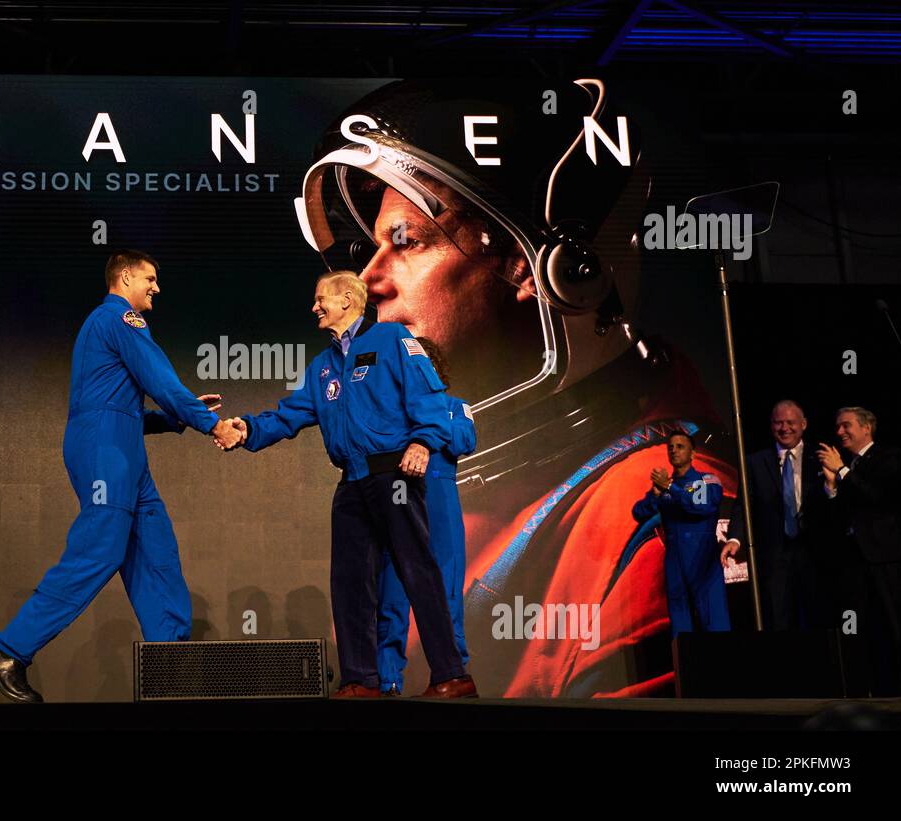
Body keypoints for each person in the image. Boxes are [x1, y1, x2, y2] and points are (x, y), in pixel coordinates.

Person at [292, 78, 739, 696]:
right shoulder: (459, 485)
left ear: (537, 268)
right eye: (371, 249)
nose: (368, 281)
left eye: (406, 242)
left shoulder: (639, 534)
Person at [0, 250, 242, 703]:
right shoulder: (120, 319)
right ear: (124, 277)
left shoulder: (107, 327)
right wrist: (208, 423)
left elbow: (126, 407)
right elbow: (158, 380)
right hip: (105, 449)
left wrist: (179, 417)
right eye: (150, 278)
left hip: (122, 446)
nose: (157, 287)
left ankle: (169, 667)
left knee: (155, 550)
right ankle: (8, 651)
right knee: (101, 548)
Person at [223, 271, 476, 698]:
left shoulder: (393, 340)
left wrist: (422, 441)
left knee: (418, 571)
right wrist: (246, 430)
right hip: (352, 483)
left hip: (393, 475)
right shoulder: (322, 368)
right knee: (350, 581)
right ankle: (361, 679)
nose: (314, 307)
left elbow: (428, 396)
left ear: (347, 300)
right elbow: (288, 416)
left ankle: (452, 674)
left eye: (321, 299)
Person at [375, 337, 476, 695]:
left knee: (447, 598)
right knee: (392, 598)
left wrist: (427, 423)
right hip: (400, 506)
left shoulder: (455, 406)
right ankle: (386, 682)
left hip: (440, 510)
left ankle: (452, 676)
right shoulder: (390, 411)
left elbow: (466, 441)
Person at [719, 400, 830, 629]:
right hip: (774, 555)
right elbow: (743, 504)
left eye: (790, 422)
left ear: (804, 424)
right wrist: (734, 538)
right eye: (778, 423)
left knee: (817, 617)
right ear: (771, 426)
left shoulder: (820, 457)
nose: (784, 428)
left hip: (815, 552)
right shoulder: (755, 462)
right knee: (778, 619)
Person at [817, 406, 901, 695]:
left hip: (885, 559)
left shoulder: (887, 458)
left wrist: (841, 471)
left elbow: (876, 496)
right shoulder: (850, 467)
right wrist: (832, 488)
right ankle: (877, 689)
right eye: (837, 427)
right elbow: (843, 515)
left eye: (846, 426)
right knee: (865, 629)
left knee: (893, 625)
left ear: (867, 428)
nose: (839, 432)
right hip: (855, 562)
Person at [632, 430, 730, 637]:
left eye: (680, 446)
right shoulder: (665, 486)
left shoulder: (707, 480)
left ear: (693, 453)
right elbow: (638, 512)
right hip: (675, 563)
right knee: (680, 630)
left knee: (715, 625)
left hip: (703, 562)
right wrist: (656, 495)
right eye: (671, 447)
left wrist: (669, 486)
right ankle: (686, 669)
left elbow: (700, 506)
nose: (674, 450)